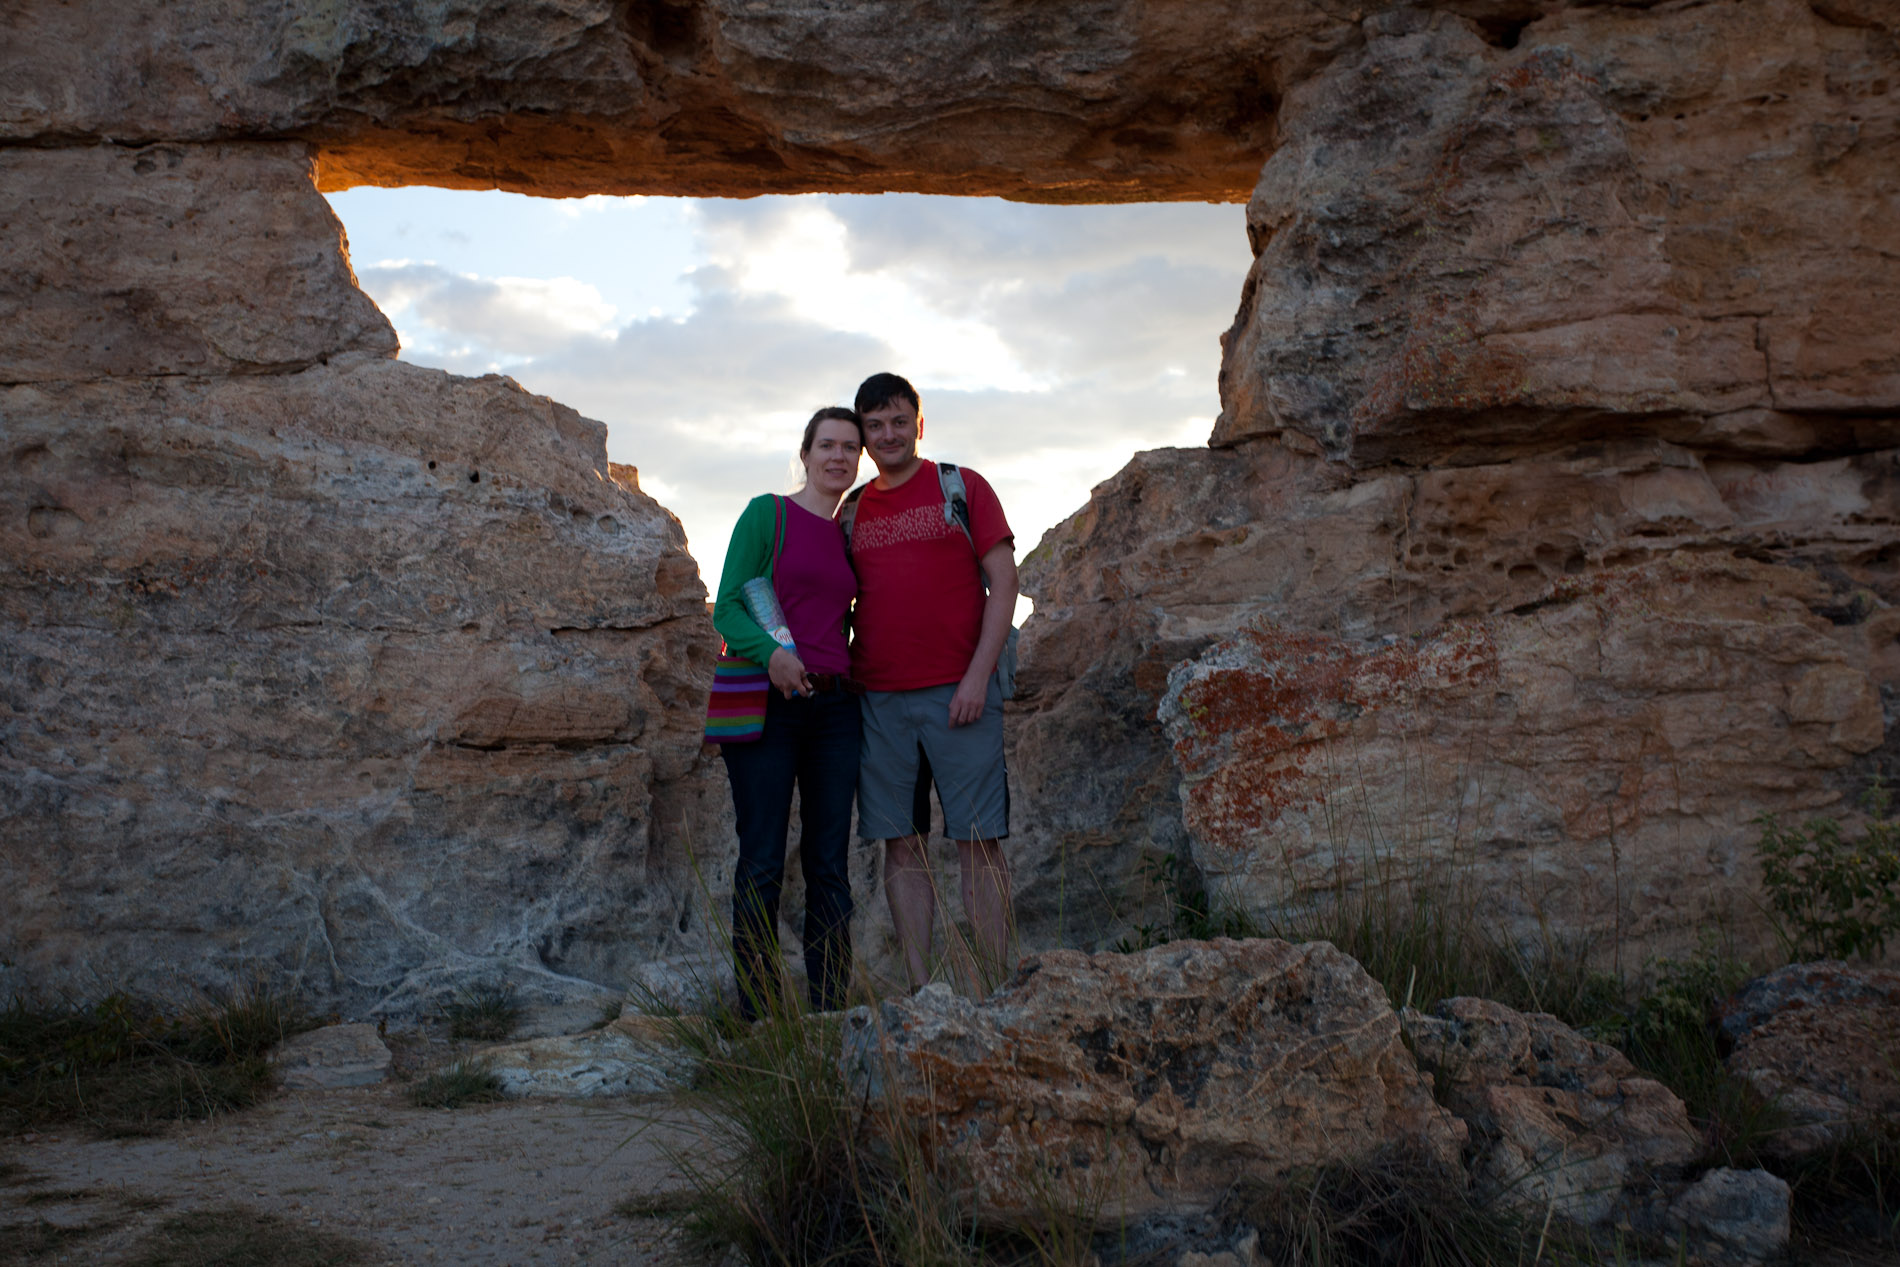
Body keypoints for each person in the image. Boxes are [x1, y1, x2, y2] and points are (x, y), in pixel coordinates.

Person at [843, 372, 1019, 990]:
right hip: (881, 703)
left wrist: (977, 677)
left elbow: (1006, 582)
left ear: (919, 424)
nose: (888, 434)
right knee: (900, 846)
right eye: (875, 425)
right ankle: (924, 991)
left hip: (961, 696)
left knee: (979, 845)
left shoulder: (962, 487)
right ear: (863, 436)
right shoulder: (854, 509)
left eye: (899, 421)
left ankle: (996, 985)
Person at [711, 407, 864, 1017]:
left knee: (830, 865)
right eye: (827, 445)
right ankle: (758, 1015)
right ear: (805, 454)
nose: (838, 457)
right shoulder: (766, 514)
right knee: (763, 859)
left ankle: (829, 1014)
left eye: (850, 448)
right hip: (767, 705)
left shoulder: (850, 533)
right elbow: (727, 608)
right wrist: (772, 655)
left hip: (836, 711)